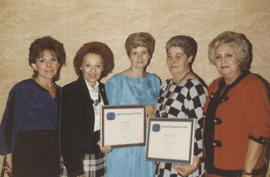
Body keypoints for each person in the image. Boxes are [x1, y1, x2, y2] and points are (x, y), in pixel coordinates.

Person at [204, 31, 270, 177]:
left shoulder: (253, 85)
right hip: (214, 171)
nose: (223, 61)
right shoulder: (214, 85)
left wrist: (247, 172)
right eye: (218, 57)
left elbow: (259, 133)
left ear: (240, 58)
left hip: (241, 172)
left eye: (229, 55)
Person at [0, 36, 66, 177]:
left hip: (53, 155)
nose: (48, 65)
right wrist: (8, 156)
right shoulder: (23, 89)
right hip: (27, 153)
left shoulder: (63, 93)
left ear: (59, 64)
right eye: (42, 60)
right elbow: (9, 123)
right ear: (34, 65)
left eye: (53, 60)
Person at [105, 32, 161, 177]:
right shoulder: (115, 82)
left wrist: (154, 112)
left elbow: (159, 117)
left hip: (145, 148)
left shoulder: (155, 81)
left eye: (144, 52)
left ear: (150, 55)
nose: (140, 57)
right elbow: (110, 120)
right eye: (135, 52)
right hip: (122, 149)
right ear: (129, 55)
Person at [154, 35, 207, 177]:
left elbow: (201, 127)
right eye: (169, 56)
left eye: (179, 56)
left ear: (190, 58)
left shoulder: (195, 87)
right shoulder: (166, 85)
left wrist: (196, 162)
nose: (173, 61)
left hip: (186, 163)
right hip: (165, 158)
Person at [60, 41, 114, 177]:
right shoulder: (69, 91)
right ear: (80, 66)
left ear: (103, 68)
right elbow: (67, 135)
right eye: (88, 65)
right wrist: (76, 171)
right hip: (77, 160)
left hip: (100, 157)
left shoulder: (105, 90)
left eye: (98, 66)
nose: (93, 70)